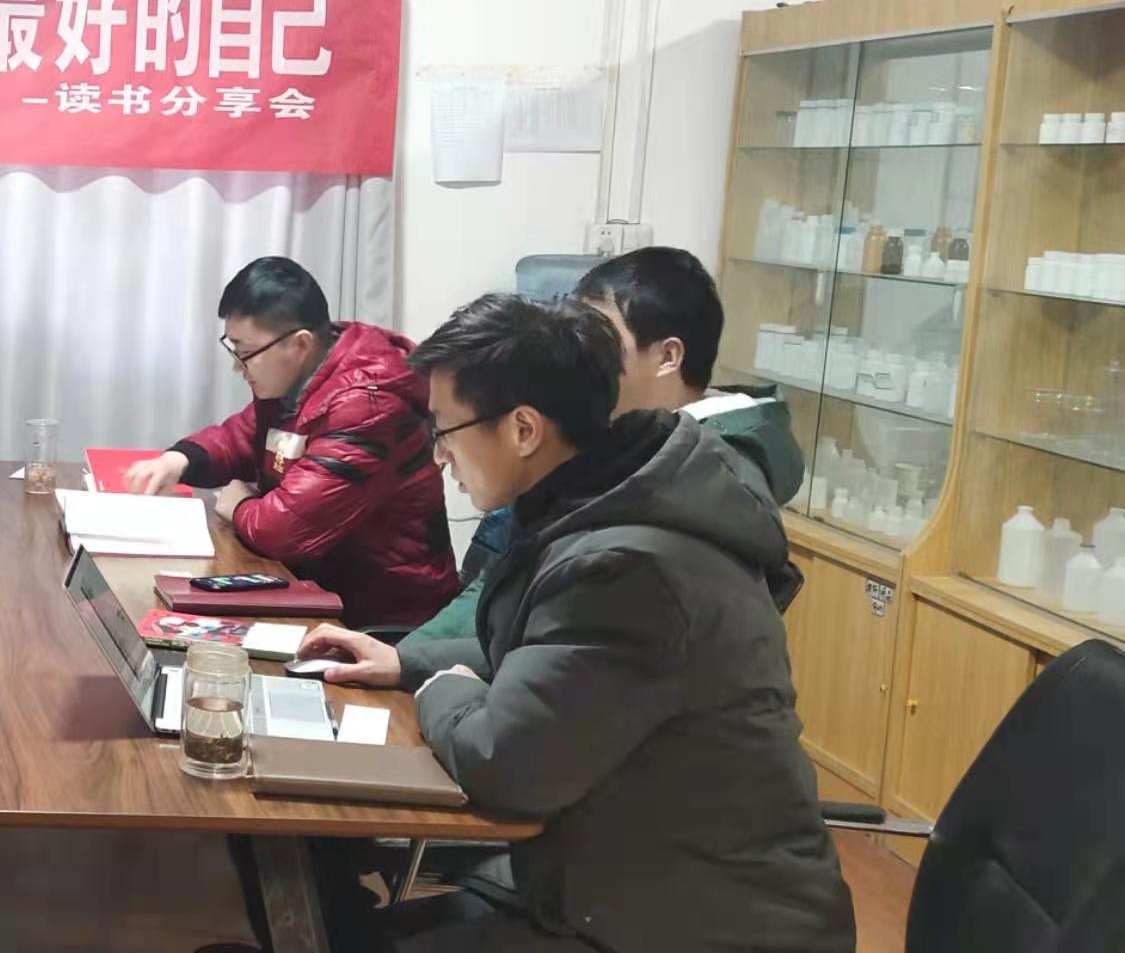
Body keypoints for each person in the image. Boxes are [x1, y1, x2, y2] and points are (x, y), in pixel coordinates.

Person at [298, 294, 854, 953]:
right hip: (628, 887)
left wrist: (442, 688)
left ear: (523, 430)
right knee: (330, 911)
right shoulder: (602, 507)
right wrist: (406, 662)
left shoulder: (623, 565)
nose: (438, 456)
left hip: (698, 925)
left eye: (443, 430)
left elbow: (505, 765)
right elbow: (550, 656)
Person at [404, 247, 805, 643]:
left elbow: (561, 631)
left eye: (601, 335)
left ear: (668, 356)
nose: (579, 348)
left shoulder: (696, 474)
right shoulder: (632, 447)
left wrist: (420, 662)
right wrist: (411, 657)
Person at [123, 257, 456, 627]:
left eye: (246, 353)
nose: (237, 366)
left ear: (299, 344)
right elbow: (242, 437)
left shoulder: (368, 403)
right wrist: (180, 460)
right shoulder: (305, 372)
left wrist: (239, 505)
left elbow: (285, 531)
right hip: (313, 585)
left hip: (381, 615)